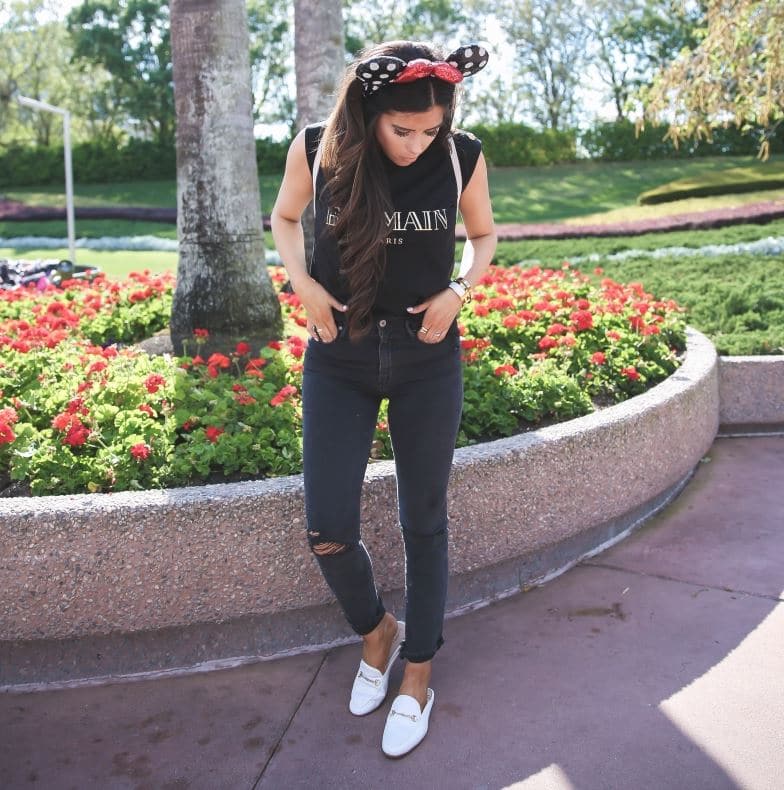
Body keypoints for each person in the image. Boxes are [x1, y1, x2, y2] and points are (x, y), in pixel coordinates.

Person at [271, 40, 496, 757]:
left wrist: (460, 289)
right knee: (326, 524)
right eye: (403, 129)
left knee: (423, 518)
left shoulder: (462, 154)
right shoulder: (317, 149)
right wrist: (302, 284)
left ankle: (418, 670)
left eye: (429, 130)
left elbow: (485, 237)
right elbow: (283, 219)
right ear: (370, 112)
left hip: (429, 355)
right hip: (340, 353)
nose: (416, 144)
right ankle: (378, 632)